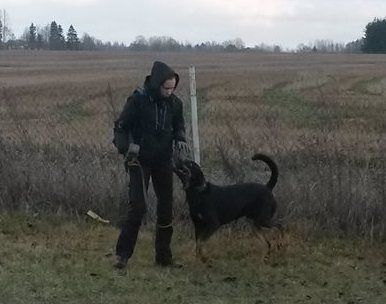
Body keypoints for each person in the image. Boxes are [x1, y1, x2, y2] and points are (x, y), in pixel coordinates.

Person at [113, 61, 189, 269]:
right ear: (156, 85)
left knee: (166, 207)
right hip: (139, 160)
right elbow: (120, 127)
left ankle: (164, 257)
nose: (170, 91)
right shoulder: (137, 101)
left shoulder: (175, 104)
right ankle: (123, 255)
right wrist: (126, 149)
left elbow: (179, 124)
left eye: (173, 88)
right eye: (166, 88)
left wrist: (180, 137)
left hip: (163, 160)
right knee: (138, 206)